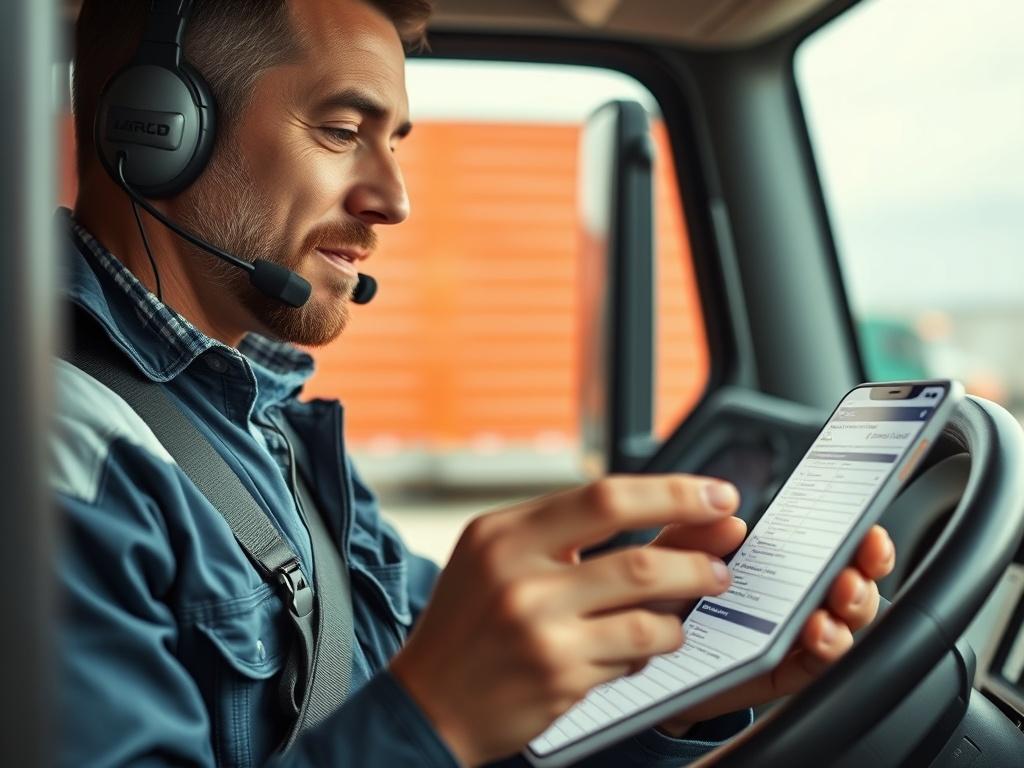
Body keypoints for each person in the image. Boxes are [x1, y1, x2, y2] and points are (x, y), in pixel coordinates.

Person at [53, 0, 895, 765]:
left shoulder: (267, 430)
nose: (393, 199)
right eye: (343, 131)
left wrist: (663, 684)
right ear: (156, 129)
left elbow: (475, 733)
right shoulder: (57, 453)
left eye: (394, 142)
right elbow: (437, 725)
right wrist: (431, 716)